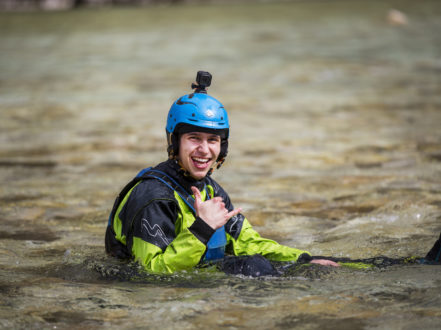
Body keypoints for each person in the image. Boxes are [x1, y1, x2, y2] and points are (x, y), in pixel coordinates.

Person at [103, 72, 350, 276]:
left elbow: (248, 243)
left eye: (213, 140)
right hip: (147, 295)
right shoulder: (154, 198)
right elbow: (151, 272)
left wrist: (305, 258)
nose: (204, 149)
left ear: (223, 146)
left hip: (195, 280)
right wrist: (202, 229)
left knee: (273, 265)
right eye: (193, 138)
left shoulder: (211, 189)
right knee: (252, 268)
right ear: (175, 142)